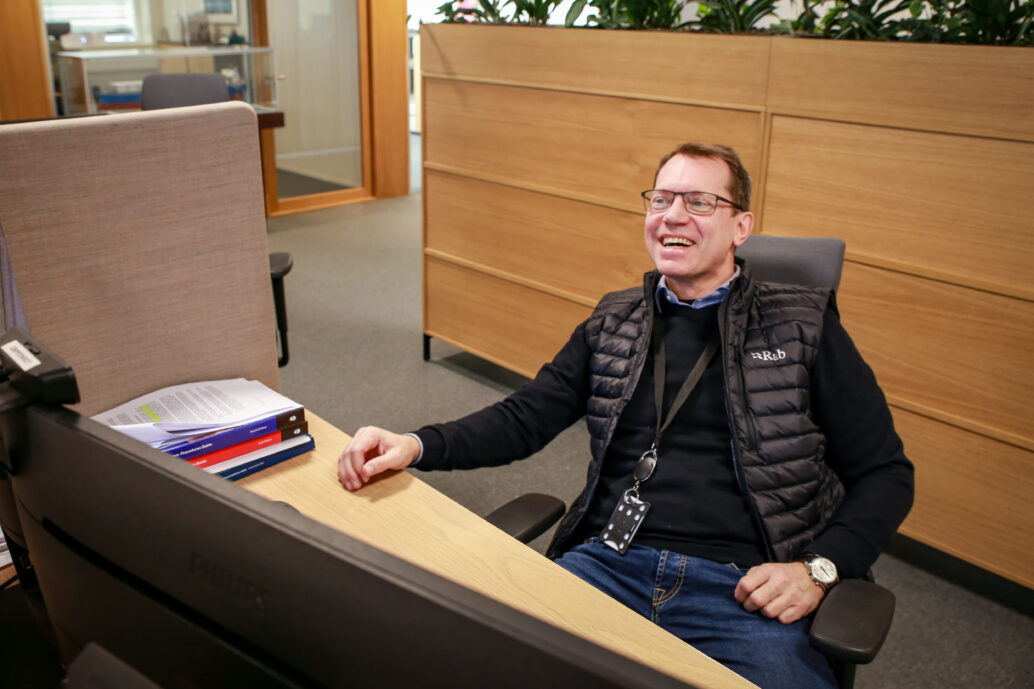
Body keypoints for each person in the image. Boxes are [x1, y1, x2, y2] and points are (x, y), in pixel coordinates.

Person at [338, 142, 914, 689]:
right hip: (610, 565)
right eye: (661, 199)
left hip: (747, 591)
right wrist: (415, 443)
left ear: (741, 227)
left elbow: (886, 473)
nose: (673, 215)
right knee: (475, 664)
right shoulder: (616, 319)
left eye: (699, 202)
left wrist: (818, 570)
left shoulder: (803, 325)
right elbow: (525, 418)